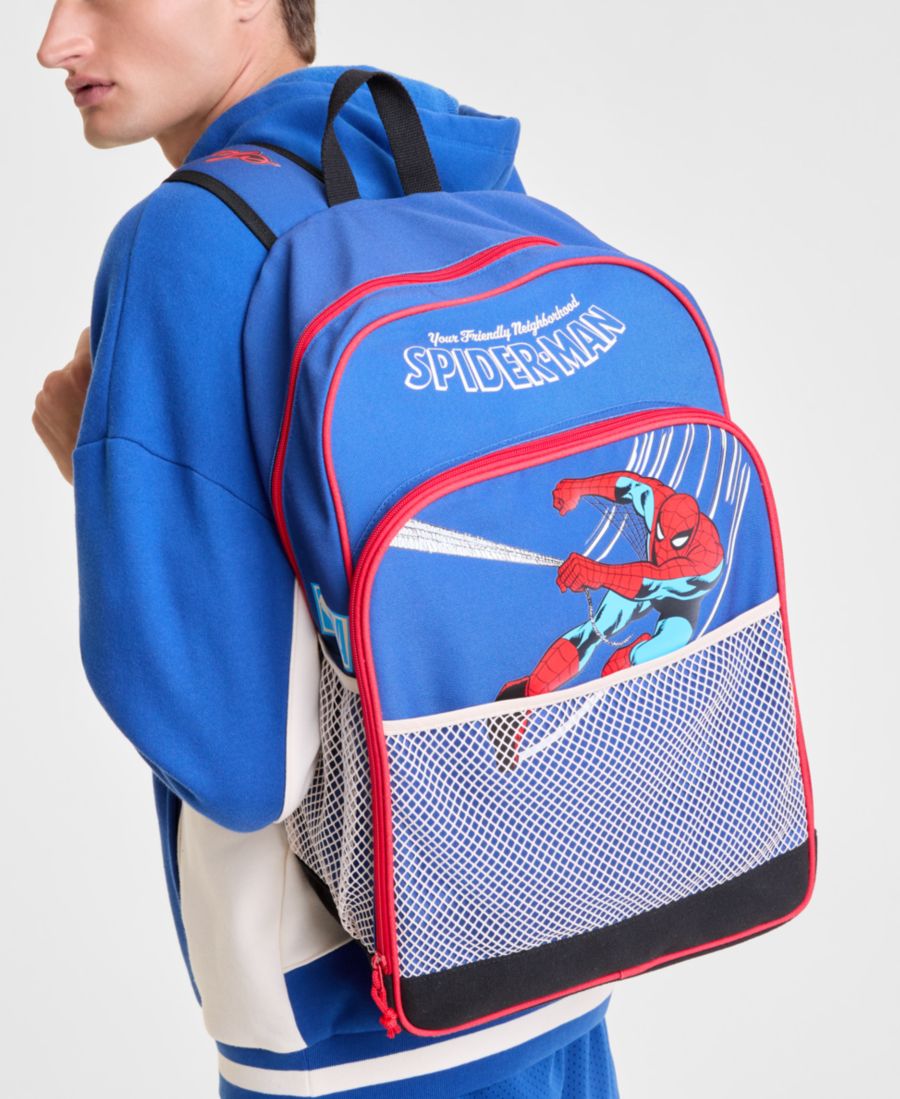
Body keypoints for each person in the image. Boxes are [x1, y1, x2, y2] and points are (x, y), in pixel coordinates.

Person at [34, 2, 621, 1096]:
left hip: (360, 1026)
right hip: (563, 932)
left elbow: (235, 759)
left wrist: (104, 482)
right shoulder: (455, 172)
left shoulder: (185, 239)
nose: (56, 41)